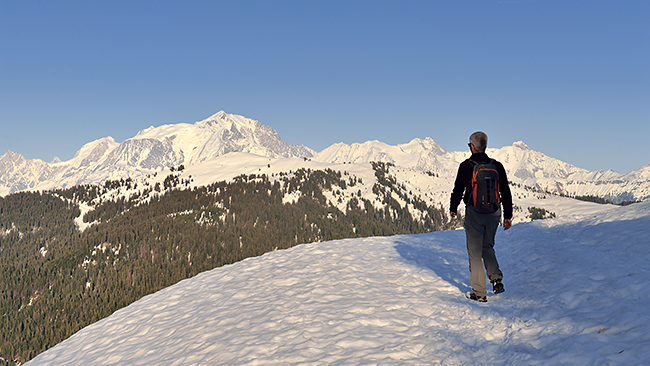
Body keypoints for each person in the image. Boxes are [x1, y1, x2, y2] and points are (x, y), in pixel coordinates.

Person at [450, 131, 513, 302]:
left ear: (471, 146)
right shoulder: (497, 166)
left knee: (475, 253)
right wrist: (508, 215)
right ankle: (497, 280)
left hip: (475, 213)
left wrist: (453, 207)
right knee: (488, 247)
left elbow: (458, 189)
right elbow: (506, 192)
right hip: (494, 213)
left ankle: (479, 293)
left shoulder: (466, 166)